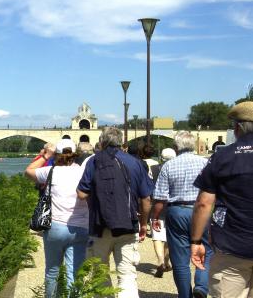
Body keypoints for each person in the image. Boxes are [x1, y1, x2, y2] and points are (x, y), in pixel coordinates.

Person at [191, 101, 253, 298]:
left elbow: (204, 203)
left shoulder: (223, 157)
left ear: (237, 128)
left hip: (232, 246)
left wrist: (196, 241)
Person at [77, 127, 153, 298]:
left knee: (100, 273)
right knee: (127, 274)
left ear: (102, 141)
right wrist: (143, 224)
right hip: (128, 225)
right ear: (121, 142)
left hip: (99, 226)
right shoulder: (135, 163)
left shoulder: (93, 161)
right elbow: (146, 199)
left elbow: (82, 193)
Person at [25, 138, 89, 297]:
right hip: (81, 227)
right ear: (75, 154)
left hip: (55, 226)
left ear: (57, 155)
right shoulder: (83, 172)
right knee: (74, 272)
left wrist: (46, 155)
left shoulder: (50, 171)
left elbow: (28, 171)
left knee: (52, 270)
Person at [151, 132, 210, 298]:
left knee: (179, 258)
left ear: (176, 147)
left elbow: (160, 198)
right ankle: (201, 286)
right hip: (201, 209)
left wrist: (155, 217)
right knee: (206, 250)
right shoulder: (205, 163)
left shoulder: (168, 166)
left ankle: (185, 295)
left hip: (176, 210)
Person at [149, 147, 176, 278]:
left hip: (156, 206)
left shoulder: (153, 169)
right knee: (169, 238)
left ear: (161, 158)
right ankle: (166, 261)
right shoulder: (177, 168)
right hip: (172, 207)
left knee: (157, 236)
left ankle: (160, 261)